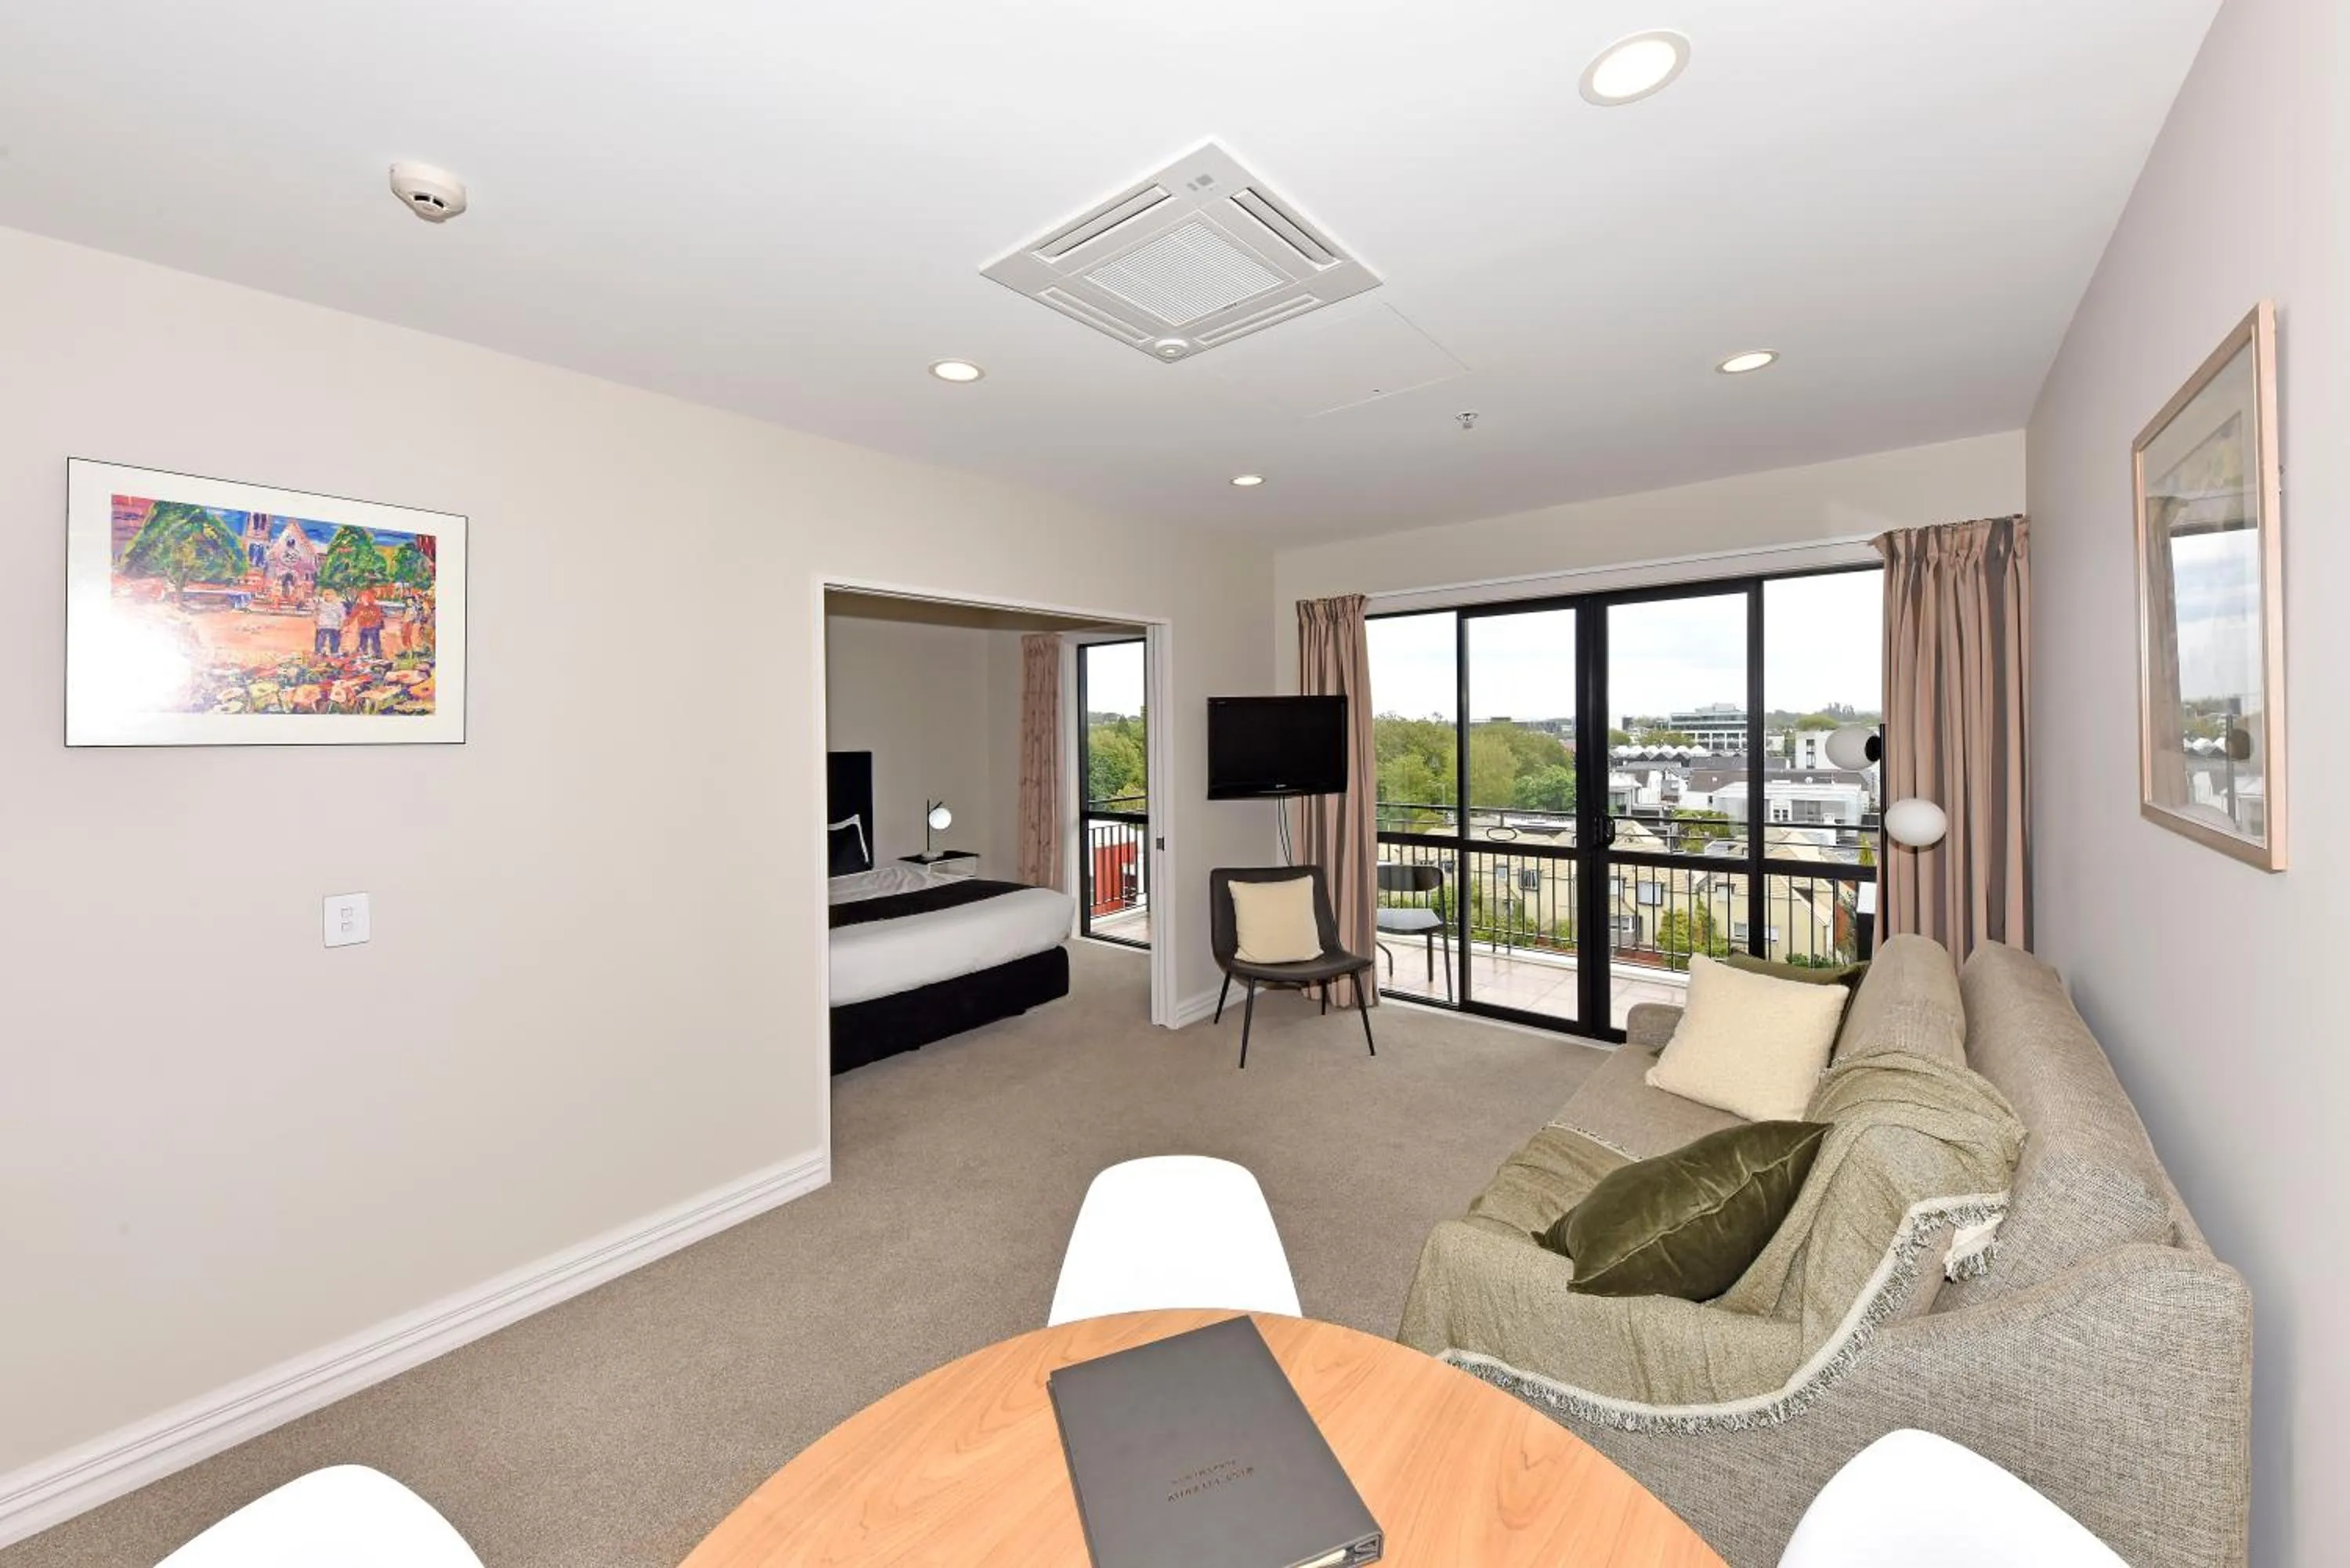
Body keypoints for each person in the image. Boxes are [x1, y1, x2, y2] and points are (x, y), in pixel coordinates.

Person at [349, 588, 386, 658]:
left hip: (373, 627)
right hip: (363, 627)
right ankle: (363, 654)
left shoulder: (375, 607)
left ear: (370, 598)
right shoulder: (359, 607)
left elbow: (379, 617)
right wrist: (346, 623)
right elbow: (352, 616)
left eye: (365, 597)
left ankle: (378, 655)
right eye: (362, 597)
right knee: (363, 642)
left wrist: (375, 624)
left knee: (375, 642)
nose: (363, 599)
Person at [313, 590, 345, 655]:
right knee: (320, 640)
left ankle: (335, 652)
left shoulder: (339, 605)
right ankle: (319, 652)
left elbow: (342, 616)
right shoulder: (321, 604)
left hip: (334, 626)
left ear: (334, 596)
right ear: (324, 596)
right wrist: (316, 622)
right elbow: (316, 614)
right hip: (323, 625)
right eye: (327, 594)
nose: (329, 596)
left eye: (331, 595)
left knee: (335, 640)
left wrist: (341, 625)